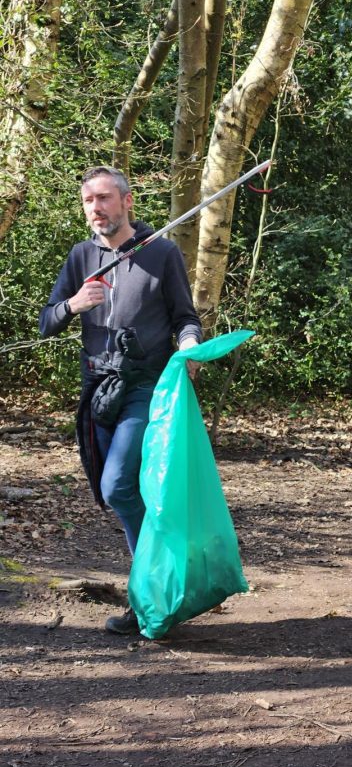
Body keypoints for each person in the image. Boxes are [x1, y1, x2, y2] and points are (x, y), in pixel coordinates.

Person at [40, 166, 202, 632]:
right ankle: (157, 593)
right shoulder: (81, 256)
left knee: (118, 488)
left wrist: (190, 346)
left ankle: (151, 592)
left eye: (105, 198)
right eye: (88, 200)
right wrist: (74, 304)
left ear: (127, 202)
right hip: (97, 388)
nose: (96, 208)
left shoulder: (161, 252)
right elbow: (47, 321)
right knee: (125, 494)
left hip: (145, 387)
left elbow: (185, 318)